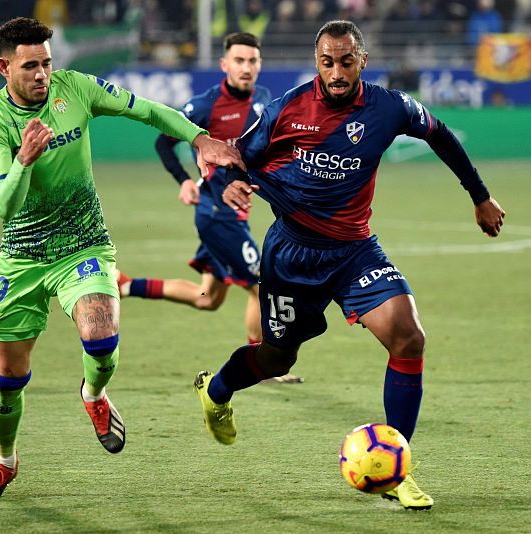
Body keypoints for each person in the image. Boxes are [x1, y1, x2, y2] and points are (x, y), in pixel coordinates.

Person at [193, 20, 505, 511]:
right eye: (327, 62)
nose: (336, 72)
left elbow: (439, 134)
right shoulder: (285, 110)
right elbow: (232, 157)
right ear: (316, 62)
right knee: (277, 359)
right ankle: (217, 390)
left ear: (362, 59)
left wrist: (480, 196)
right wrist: (225, 185)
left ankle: (398, 467)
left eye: (345, 61)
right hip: (292, 255)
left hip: (355, 252)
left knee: (408, 336)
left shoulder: (389, 107)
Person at [0, 16, 244, 500]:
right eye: (30, 65)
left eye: (47, 63)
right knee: (9, 377)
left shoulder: (75, 89)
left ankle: (93, 394)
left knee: (100, 334)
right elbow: (3, 207)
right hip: (23, 258)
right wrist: (24, 160)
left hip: (84, 244)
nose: (42, 75)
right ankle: (4, 460)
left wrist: (198, 138)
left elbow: (146, 110)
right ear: (4, 67)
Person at [119, 32, 301, 385]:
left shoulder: (264, 100)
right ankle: (261, 364)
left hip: (234, 213)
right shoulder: (204, 106)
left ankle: (126, 285)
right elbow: (163, 143)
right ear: (224, 65)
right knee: (259, 286)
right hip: (217, 215)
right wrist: (184, 181)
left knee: (207, 298)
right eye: (239, 61)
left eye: (252, 61)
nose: (246, 68)